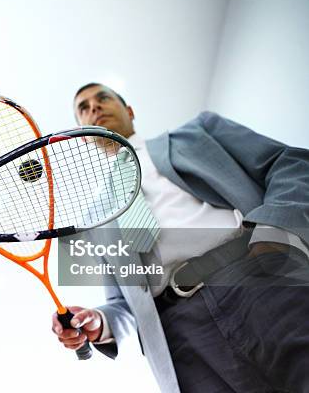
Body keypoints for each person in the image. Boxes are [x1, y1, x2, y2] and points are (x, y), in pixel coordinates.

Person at [51, 83, 309, 392]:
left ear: (129, 111)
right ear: (84, 132)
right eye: (83, 107)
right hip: (182, 337)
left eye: (102, 98)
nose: (93, 107)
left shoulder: (201, 131)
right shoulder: (95, 222)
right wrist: (99, 321)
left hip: (258, 277)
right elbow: (122, 304)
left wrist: (274, 233)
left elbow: (290, 163)